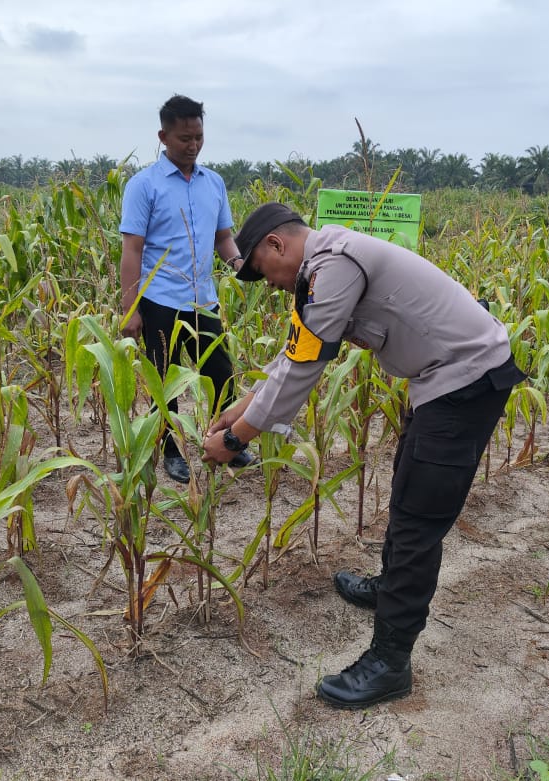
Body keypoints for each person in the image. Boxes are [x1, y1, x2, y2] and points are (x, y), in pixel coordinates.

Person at [201, 202, 527, 709]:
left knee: (420, 516)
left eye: (265, 274)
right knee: (407, 485)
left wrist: (237, 438)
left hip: (466, 380)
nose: (271, 285)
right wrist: (240, 408)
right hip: (441, 380)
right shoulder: (323, 265)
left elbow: (304, 367)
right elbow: (292, 353)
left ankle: (390, 662)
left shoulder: (333, 268)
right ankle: (389, 588)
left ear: (276, 245)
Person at [120, 94, 255, 483]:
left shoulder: (213, 183)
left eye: (198, 136)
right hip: (160, 299)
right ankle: (171, 451)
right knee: (165, 382)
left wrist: (239, 265)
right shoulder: (143, 186)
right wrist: (131, 308)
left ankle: (227, 442)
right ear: (163, 136)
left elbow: (224, 238)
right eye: (184, 138)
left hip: (203, 300)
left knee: (221, 374)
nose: (193, 144)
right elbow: (132, 249)